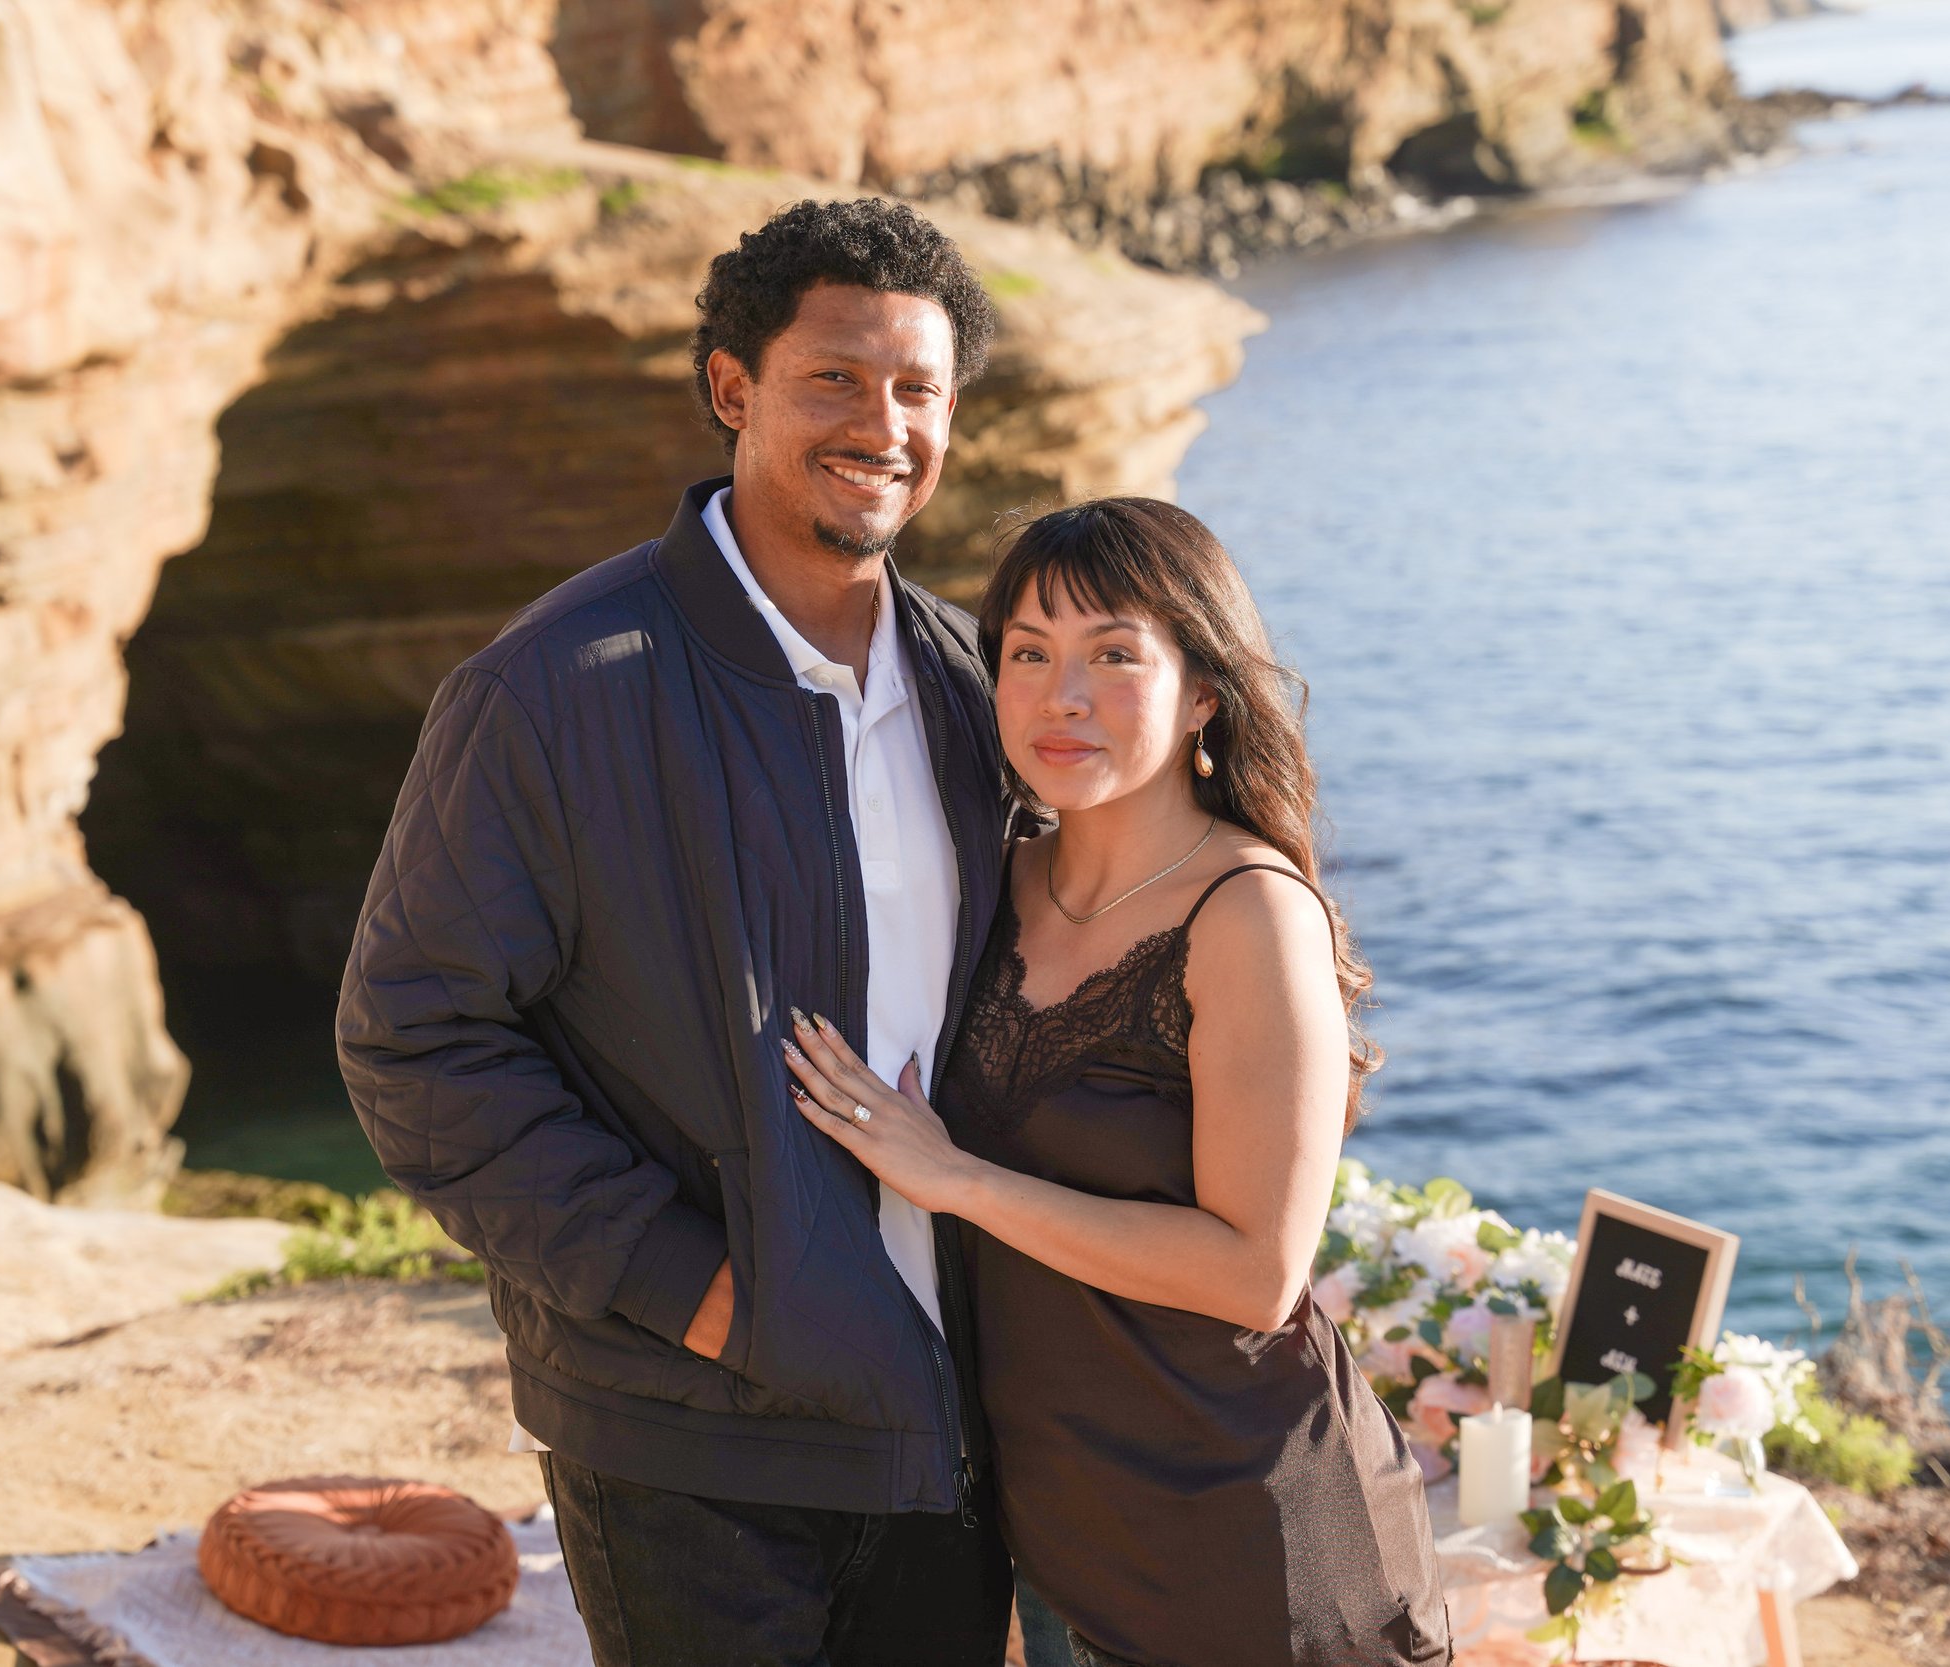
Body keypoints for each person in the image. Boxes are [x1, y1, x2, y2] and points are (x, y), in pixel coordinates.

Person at [336, 198, 1015, 1666]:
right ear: (732, 389)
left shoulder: (979, 685)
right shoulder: (553, 691)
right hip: (688, 1435)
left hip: (951, 1415)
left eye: (919, 388)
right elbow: (414, 1041)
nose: (882, 424)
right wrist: (700, 1293)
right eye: (833, 377)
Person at [780, 498, 1453, 1667]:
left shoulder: (1247, 913)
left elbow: (1257, 1271)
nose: (1062, 695)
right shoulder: (989, 881)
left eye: (1113, 655)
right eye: (1028, 654)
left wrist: (957, 1180)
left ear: (1203, 691)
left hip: (1254, 1542)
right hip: (1062, 1541)